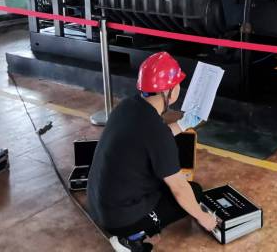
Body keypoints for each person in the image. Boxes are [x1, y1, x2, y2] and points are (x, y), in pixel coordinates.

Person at [87, 52, 217, 252]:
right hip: (119, 220)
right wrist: (203, 218)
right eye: (178, 84)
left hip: (97, 204)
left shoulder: (128, 106)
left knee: (174, 187)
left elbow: (151, 139)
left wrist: (183, 124)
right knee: (194, 192)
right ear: (169, 91)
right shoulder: (156, 131)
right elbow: (179, 188)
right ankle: (131, 239)